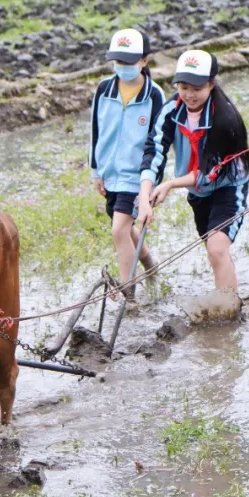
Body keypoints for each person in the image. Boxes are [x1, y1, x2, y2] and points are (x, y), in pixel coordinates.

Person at [137, 50, 249, 320]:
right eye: (184, 87)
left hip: (228, 187)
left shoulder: (224, 119)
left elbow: (209, 172)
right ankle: (229, 298)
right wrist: (144, 197)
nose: (189, 94)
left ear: (211, 84)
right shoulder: (171, 110)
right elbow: (154, 151)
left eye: (197, 88)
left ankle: (229, 317)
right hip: (198, 193)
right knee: (213, 248)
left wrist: (169, 184)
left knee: (217, 247)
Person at [89, 29, 163, 298]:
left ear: (144, 61)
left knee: (119, 230)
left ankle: (128, 295)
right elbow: (95, 130)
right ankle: (150, 265)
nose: (123, 67)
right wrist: (96, 171)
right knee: (126, 227)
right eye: (118, 61)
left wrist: (150, 182)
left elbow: (157, 143)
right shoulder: (104, 89)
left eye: (129, 62)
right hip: (110, 173)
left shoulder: (154, 95)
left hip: (136, 176)